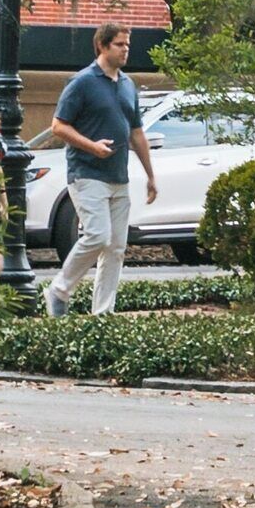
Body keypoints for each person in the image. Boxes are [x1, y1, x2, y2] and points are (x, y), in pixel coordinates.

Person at [41, 24, 159, 319]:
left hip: (118, 177)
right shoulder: (81, 82)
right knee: (97, 235)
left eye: (127, 44)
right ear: (102, 46)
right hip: (86, 173)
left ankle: (102, 314)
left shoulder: (128, 84)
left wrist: (150, 175)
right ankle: (59, 290)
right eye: (119, 44)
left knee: (116, 248)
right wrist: (91, 147)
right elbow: (58, 126)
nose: (126, 49)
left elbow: (136, 133)